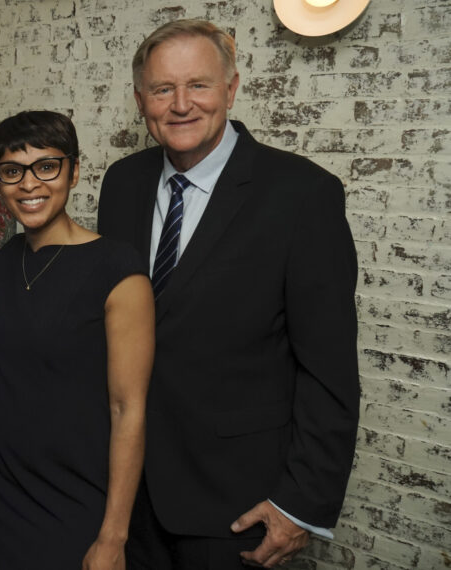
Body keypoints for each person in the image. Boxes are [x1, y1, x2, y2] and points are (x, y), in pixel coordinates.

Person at [96, 19, 360, 569]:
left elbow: (329, 370)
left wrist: (299, 504)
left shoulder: (303, 196)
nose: (181, 104)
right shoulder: (121, 184)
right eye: (163, 89)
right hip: (128, 494)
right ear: (141, 99)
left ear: (232, 89)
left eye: (199, 85)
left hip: (239, 505)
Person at [0, 111, 155, 569]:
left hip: (77, 496)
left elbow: (129, 408)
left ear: (74, 172)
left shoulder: (118, 269)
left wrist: (114, 535)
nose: (29, 184)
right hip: (2, 488)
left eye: (47, 166)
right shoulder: (5, 259)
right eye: (13, 171)